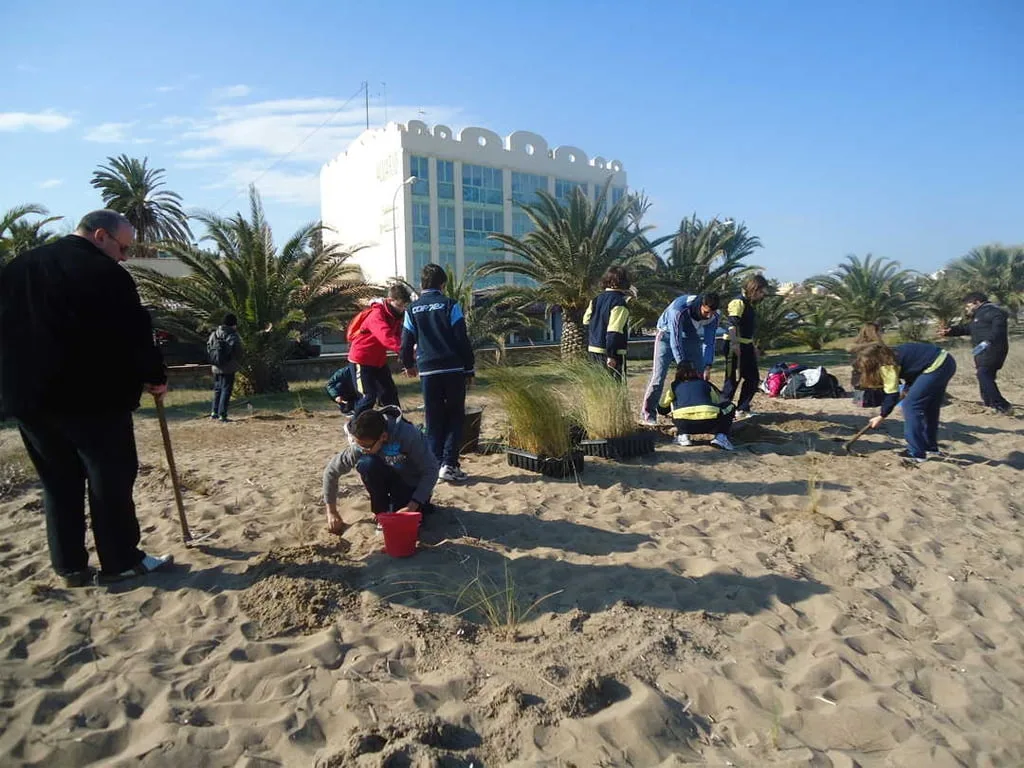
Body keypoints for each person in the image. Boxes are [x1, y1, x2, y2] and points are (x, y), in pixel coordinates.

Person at [0, 209, 173, 586]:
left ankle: (70, 566)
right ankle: (120, 560)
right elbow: (133, 331)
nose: (124, 256)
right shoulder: (105, 273)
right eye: (123, 247)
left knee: (58, 481)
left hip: (30, 399)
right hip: (92, 398)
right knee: (108, 478)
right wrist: (154, 376)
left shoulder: (17, 268)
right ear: (100, 235)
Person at [400, 263, 475, 484]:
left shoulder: (412, 310)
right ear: (443, 285)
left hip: (428, 371)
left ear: (421, 285)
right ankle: (449, 465)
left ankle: (434, 464)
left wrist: (408, 365)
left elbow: (406, 342)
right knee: (454, 416)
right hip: (452, 369)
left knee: (433, 418)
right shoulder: (451, 305)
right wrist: (469, 368)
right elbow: (461, 338)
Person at [322, 406, 439, 535]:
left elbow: (431, 470)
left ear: (383, 436)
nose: (362, 450)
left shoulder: (408, 436)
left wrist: (413, 504)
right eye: (358, 445)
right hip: (388, 476)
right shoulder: (362, 442)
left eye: (366, 447)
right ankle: (382, 512)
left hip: (410, 481)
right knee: (366, 464)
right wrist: (331, 512)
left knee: (409, 524)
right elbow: (331, 472)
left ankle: (413, 505)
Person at [857, 341, 957, 463]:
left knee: (911, 406)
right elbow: (916, 367)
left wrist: (881, 416)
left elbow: (891, 395)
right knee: (929, 407)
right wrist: (908, 388)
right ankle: (929, 447)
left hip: (935, 366)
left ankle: (916, 452)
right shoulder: (892, 354)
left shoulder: (887, 365)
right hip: (946, 361)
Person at [640, 293, 721, 425]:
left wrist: (707, 365)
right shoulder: (678, 310)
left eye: (712, 312)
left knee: (700, 376)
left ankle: (699, 412)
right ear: (701, 305)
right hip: (667, 336)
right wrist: (682, 364)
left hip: (691, 337)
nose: (709, 316)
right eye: (706, 312)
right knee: (658, 377)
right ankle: (648, 414)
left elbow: (709, 342)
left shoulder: (715, 315)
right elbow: (675, 340)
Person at [346, 283, 413, 418]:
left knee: (390, 395)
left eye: (404, 307)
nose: (401, 310)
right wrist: (406, 351)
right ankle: (354, 427)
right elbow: (386, 337)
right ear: (389, 301)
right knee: (368, 396)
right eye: (399, 306)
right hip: (361, 361)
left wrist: (409, 360)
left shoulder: (395, 317)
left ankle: (397, 426)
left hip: (378, 362)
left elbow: (401, 338)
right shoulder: (376, 314)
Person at [940, 292, 1012, 414]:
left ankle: (1002, 405)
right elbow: (969, 329)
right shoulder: (979, 315)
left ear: (977, 302)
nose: (966, 308)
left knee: (983, 374)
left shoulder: (993, 312)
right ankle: (990, 403)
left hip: (993, 349)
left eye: (968, 306)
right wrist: (951, 331)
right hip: (982, 351)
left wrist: (988, 342)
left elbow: (998, 329)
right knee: (986, 376)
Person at [657, 361, 736, 450]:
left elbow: (661, 409)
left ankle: (683, 436)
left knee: (675, 403)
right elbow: (717, 402)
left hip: (683, 423)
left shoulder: (674, 385)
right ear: (695, 371)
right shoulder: (705, 384)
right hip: (710, 423)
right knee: (730, 406)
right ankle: (721, 437)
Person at [721, 275, 770, 417]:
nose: (762, 295)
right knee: (732, 379)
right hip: (734, 345)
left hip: (746, 345)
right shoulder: (738, 302)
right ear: (754, 289)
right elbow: (732, 324)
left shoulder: (749, 304)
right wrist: (735, 344)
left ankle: (742, 408)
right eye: (761, 292)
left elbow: (747, 328)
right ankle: (723, 409)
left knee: (752, 378)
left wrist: (753, 346)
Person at [583, 266, 632, 380]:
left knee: (598, 388)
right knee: (615, 390)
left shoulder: (595, 300)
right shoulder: (619, 303)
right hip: (612, 354)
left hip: (593, 351)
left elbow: (586, 322)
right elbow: (613, 332)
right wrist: (612, 356)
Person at [207, 313, 243, 422]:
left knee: (217, 389)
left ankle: (214, 412)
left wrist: (216, 359)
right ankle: (223, 414)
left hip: (216, 366)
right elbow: (238, 350)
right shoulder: (232, 335)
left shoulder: (215, 333)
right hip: (228, 367)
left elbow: (209, 347)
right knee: (226, 389)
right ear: (234, 324)